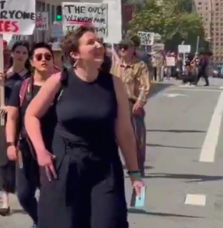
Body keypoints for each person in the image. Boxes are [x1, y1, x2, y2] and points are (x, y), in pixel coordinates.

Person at [25, 27, 145, 228]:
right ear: (74, 54)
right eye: (91, 42)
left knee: (109, 222)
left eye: (99, 42)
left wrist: (135, 174)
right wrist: (40, 151)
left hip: (104, 168)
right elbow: (31, 115)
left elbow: (125, 132)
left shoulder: (114, 84)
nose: (98, 45)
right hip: (65, 168)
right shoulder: (59, 82)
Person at [6, 42, 59, 227]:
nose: (44, 60)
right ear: (31, 62)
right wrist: (10, 144)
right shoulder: (22, 87)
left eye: (48, 56)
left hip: (54, 149)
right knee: (24, 194)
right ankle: (41, 222)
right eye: (39, 57)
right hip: (26, 149)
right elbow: (12, 117)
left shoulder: (61, 87)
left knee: (48, 193)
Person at [0, 41, 30, 214]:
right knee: (3, 159)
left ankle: (27, 193)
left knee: (24, 158)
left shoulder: (30, 76)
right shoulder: (4, 74)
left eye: (24, 52)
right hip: (5, 121)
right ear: (12, 54)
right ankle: (5, 202)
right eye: (18, 52)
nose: (21, 55)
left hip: (25, 121)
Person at [110, 36, 151, 177]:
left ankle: (139, 167)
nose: (122, 50)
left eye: (125, 47)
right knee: (113, 137)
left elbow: (145, 87)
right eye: (120, 47)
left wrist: (140, 102)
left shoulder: (140, 65)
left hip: (132, 104)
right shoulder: (115, 66)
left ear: (132, 50)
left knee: (137, 138)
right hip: (116, 104)